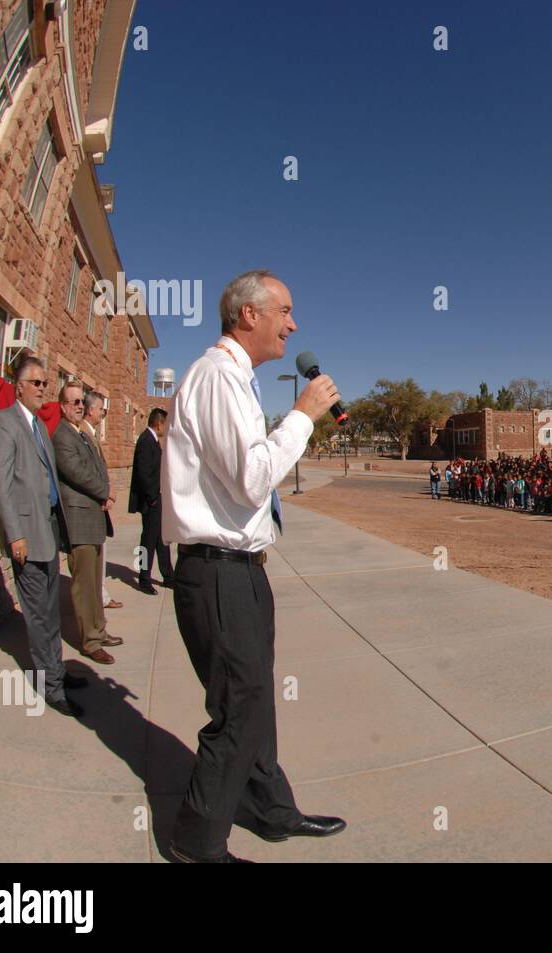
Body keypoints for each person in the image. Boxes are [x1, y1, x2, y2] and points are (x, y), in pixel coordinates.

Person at [161, 269, 346, 863]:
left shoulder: (237, 380)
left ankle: (268, 808)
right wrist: (304, 416)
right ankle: (196, 839)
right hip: (216, 573)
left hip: (243, 569)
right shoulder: (217, 377)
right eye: (285, 312)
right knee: (238, 707)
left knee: (256, 699)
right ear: (250, 315)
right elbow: (250, 478)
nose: (294, 325)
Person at [0, 356, 86, 717]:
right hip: (26, 535)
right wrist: (15, 536)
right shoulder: (4, 423)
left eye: (46, 383)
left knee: (51, 611)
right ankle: (52, 687)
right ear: (20, 386)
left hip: (48, 530)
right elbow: (2, 483)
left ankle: (57, 671)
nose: (43, 388)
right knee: (38, 616)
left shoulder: (40, 426)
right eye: (37, 382)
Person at [51, 382, 121, 664]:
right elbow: (76, 472)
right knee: (83, 584)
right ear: (63, 406)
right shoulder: (62, 435)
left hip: (93, 515)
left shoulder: (81, 434)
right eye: (74, 402)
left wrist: (106, 491)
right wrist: (105, 491)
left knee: (94, 582)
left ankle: (99, 630)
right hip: (78, 518)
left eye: (82, 401)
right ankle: (90, 641)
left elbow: (96, 468)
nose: (79, 406)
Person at [80, 392, 123, 609]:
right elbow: (86, 472)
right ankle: (98, 599)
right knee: (92, 560)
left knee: (101, 555)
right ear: (90, 410)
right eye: (100, 409)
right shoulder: (82, 434)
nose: (103, 414)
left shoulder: (92, 433)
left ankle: (101, 595)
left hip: (99, 505)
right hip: (91, 506)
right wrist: (105, 493)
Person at [129, 408, 173, 593]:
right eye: (166, 424)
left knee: (162, 540)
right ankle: (144, 579)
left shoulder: (153, 441)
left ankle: (169, 576)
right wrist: (153, 498)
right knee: (147, 540)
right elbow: (144, 472)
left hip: (157, 500)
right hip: (151, 502)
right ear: (159, 423)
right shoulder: (146, 440)